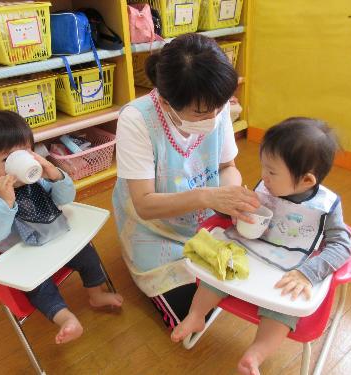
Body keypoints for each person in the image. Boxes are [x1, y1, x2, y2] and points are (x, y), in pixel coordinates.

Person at [171, 118, 351, 375]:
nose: (263, 177)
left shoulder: (325, 207)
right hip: (249, 254)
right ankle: (197, 315)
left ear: (307, 181)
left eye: (272, 172)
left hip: (286, 271)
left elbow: (341, 246)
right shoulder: (269, 187)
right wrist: (239, 214)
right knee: (214, 277)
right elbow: (243, 216)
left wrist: (308, 273)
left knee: (281, 311)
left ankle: (255, 355)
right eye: (263, 168)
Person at [112, 33, 260, 329]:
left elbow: (228, 166)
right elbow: (144, 205)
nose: (216, 116)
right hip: (152, 227)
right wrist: (209, 197)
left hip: (203, 218)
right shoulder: (136, 119)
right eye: (203, 113)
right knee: (192, 311)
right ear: (166, 102)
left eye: (220, 107)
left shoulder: (213, 104)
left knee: (249, 278)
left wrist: (232, 197)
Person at [0, 111, 123, 345]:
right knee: (39, 287)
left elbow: (66, 198)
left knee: (88, 254)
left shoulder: (38, 181)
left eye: (24, 153)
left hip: (55, 240)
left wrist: (55, 175)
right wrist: (5, 203)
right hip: (22, 257)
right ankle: (65, 319)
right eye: (6, 159)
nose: (18, 163)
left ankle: (96, 294)